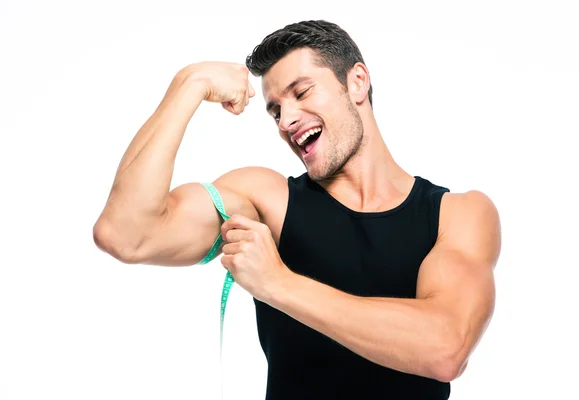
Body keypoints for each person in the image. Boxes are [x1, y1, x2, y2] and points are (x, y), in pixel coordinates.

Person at [93, 19, 501, 400]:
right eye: (274, 110)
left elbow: (445, 348)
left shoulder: (458, 215)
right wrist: (188, 84)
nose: (286, 119)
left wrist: (278, 284)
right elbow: (126, 234)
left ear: (356, 82)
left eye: (301, 93)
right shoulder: (266, 200)